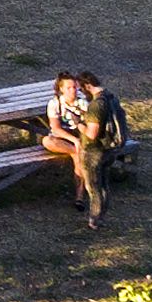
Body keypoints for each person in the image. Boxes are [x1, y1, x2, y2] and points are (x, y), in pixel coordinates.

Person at [45, 70, 113, 226]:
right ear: (61, 89)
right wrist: (74, 141)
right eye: (68, 88)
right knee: (48, 141)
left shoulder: (83, 103)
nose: (73, 91)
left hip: (82, 137)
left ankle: (80, 197)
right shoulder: (55, 103)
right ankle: (81, 196)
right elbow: (55, 128)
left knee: (77, 156)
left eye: (74, 87)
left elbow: (91, 127)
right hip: (65, 139)